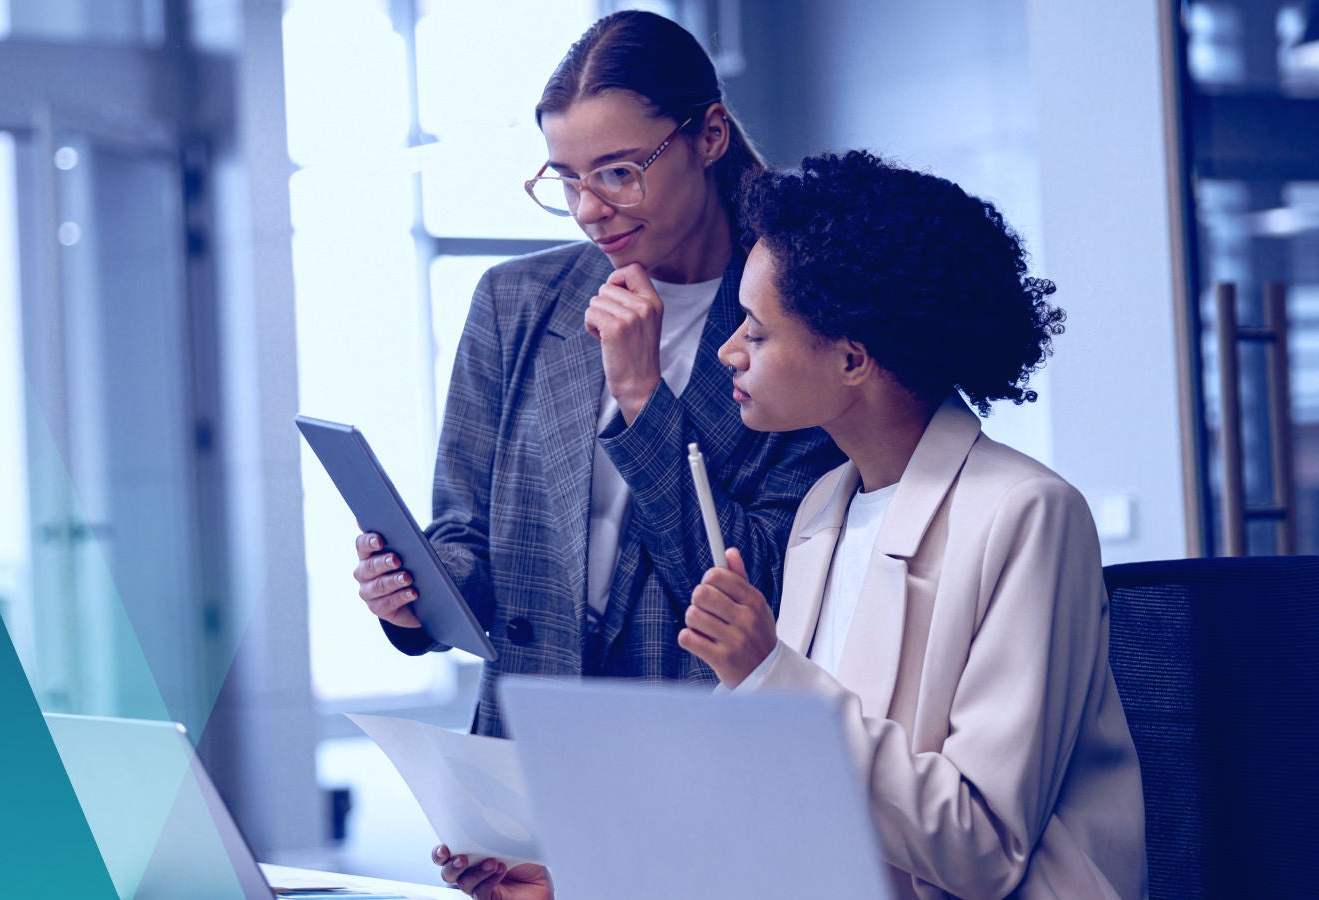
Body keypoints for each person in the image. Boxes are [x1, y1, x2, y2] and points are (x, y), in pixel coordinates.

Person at [436, 153, 1146, 899]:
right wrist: (575, 877)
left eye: (756, 330)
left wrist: (768, 673)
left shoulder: (1026, 514)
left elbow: (980, 846)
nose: (727, 351)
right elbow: (765, 813)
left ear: (850, 359)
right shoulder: (821, 513)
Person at [352, 9, 842, 739]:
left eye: (618, 173)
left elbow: (763, 582)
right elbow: (466, 531)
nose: (588, 209)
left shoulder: (801, 315)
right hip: (524, 740)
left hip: (699, 747)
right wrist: (417, 593)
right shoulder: (513, 302)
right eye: (567, 178)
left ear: (709, 136)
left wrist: (644, 397)